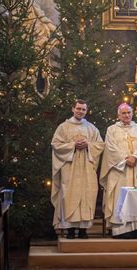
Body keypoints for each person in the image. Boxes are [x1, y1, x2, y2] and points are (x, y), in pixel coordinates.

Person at [100, 103, 137, 237]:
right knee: (120, 197)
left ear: (132, 114)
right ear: (118, 115)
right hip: (120, 169)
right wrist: (125, 159)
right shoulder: (112, 129)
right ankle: (121, 230)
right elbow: (110, 148)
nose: (127, 115)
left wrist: (135, 157)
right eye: (124, 113)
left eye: (129, 113)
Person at [51, 100, 105, 239]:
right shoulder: (63, 127)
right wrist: (73, 145)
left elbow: (100, 145)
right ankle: (70, 230)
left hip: (87, 167)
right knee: (69, 195)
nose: (80, 111)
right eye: (78, 108)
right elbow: (56, 145)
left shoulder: (91, 128)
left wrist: (88, 145)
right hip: (70, 166)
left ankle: (83, 230)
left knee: (86, 196)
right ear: (73, 109)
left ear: (86, 111)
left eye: (83, 109)